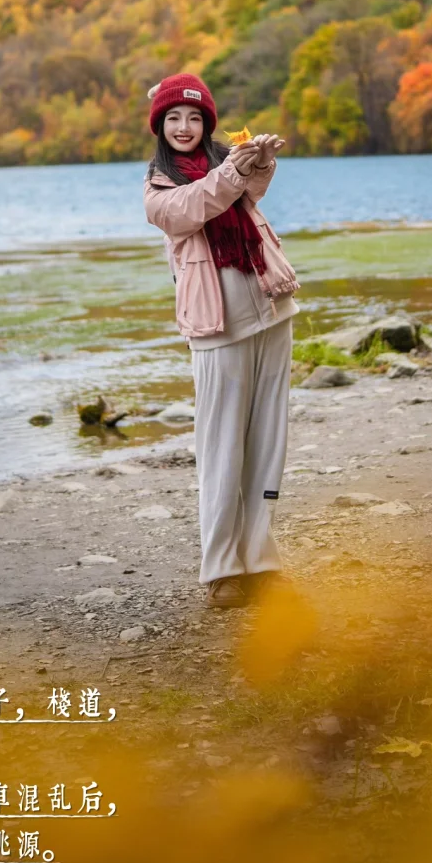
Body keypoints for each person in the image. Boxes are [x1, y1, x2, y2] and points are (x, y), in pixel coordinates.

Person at [143, 72, 300, 610]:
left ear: (207, 122)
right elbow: (195, 207)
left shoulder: (222, 166)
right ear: (160, 127)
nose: (184, 127)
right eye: (173, 118)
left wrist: (259, 162)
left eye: (194, 117)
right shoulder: (158, 191)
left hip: (271, 308)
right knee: (221, 445)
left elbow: (246, 194)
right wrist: (234, 171)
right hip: (217, 326)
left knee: (267, 441)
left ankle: (260, 558)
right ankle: (221, 569)